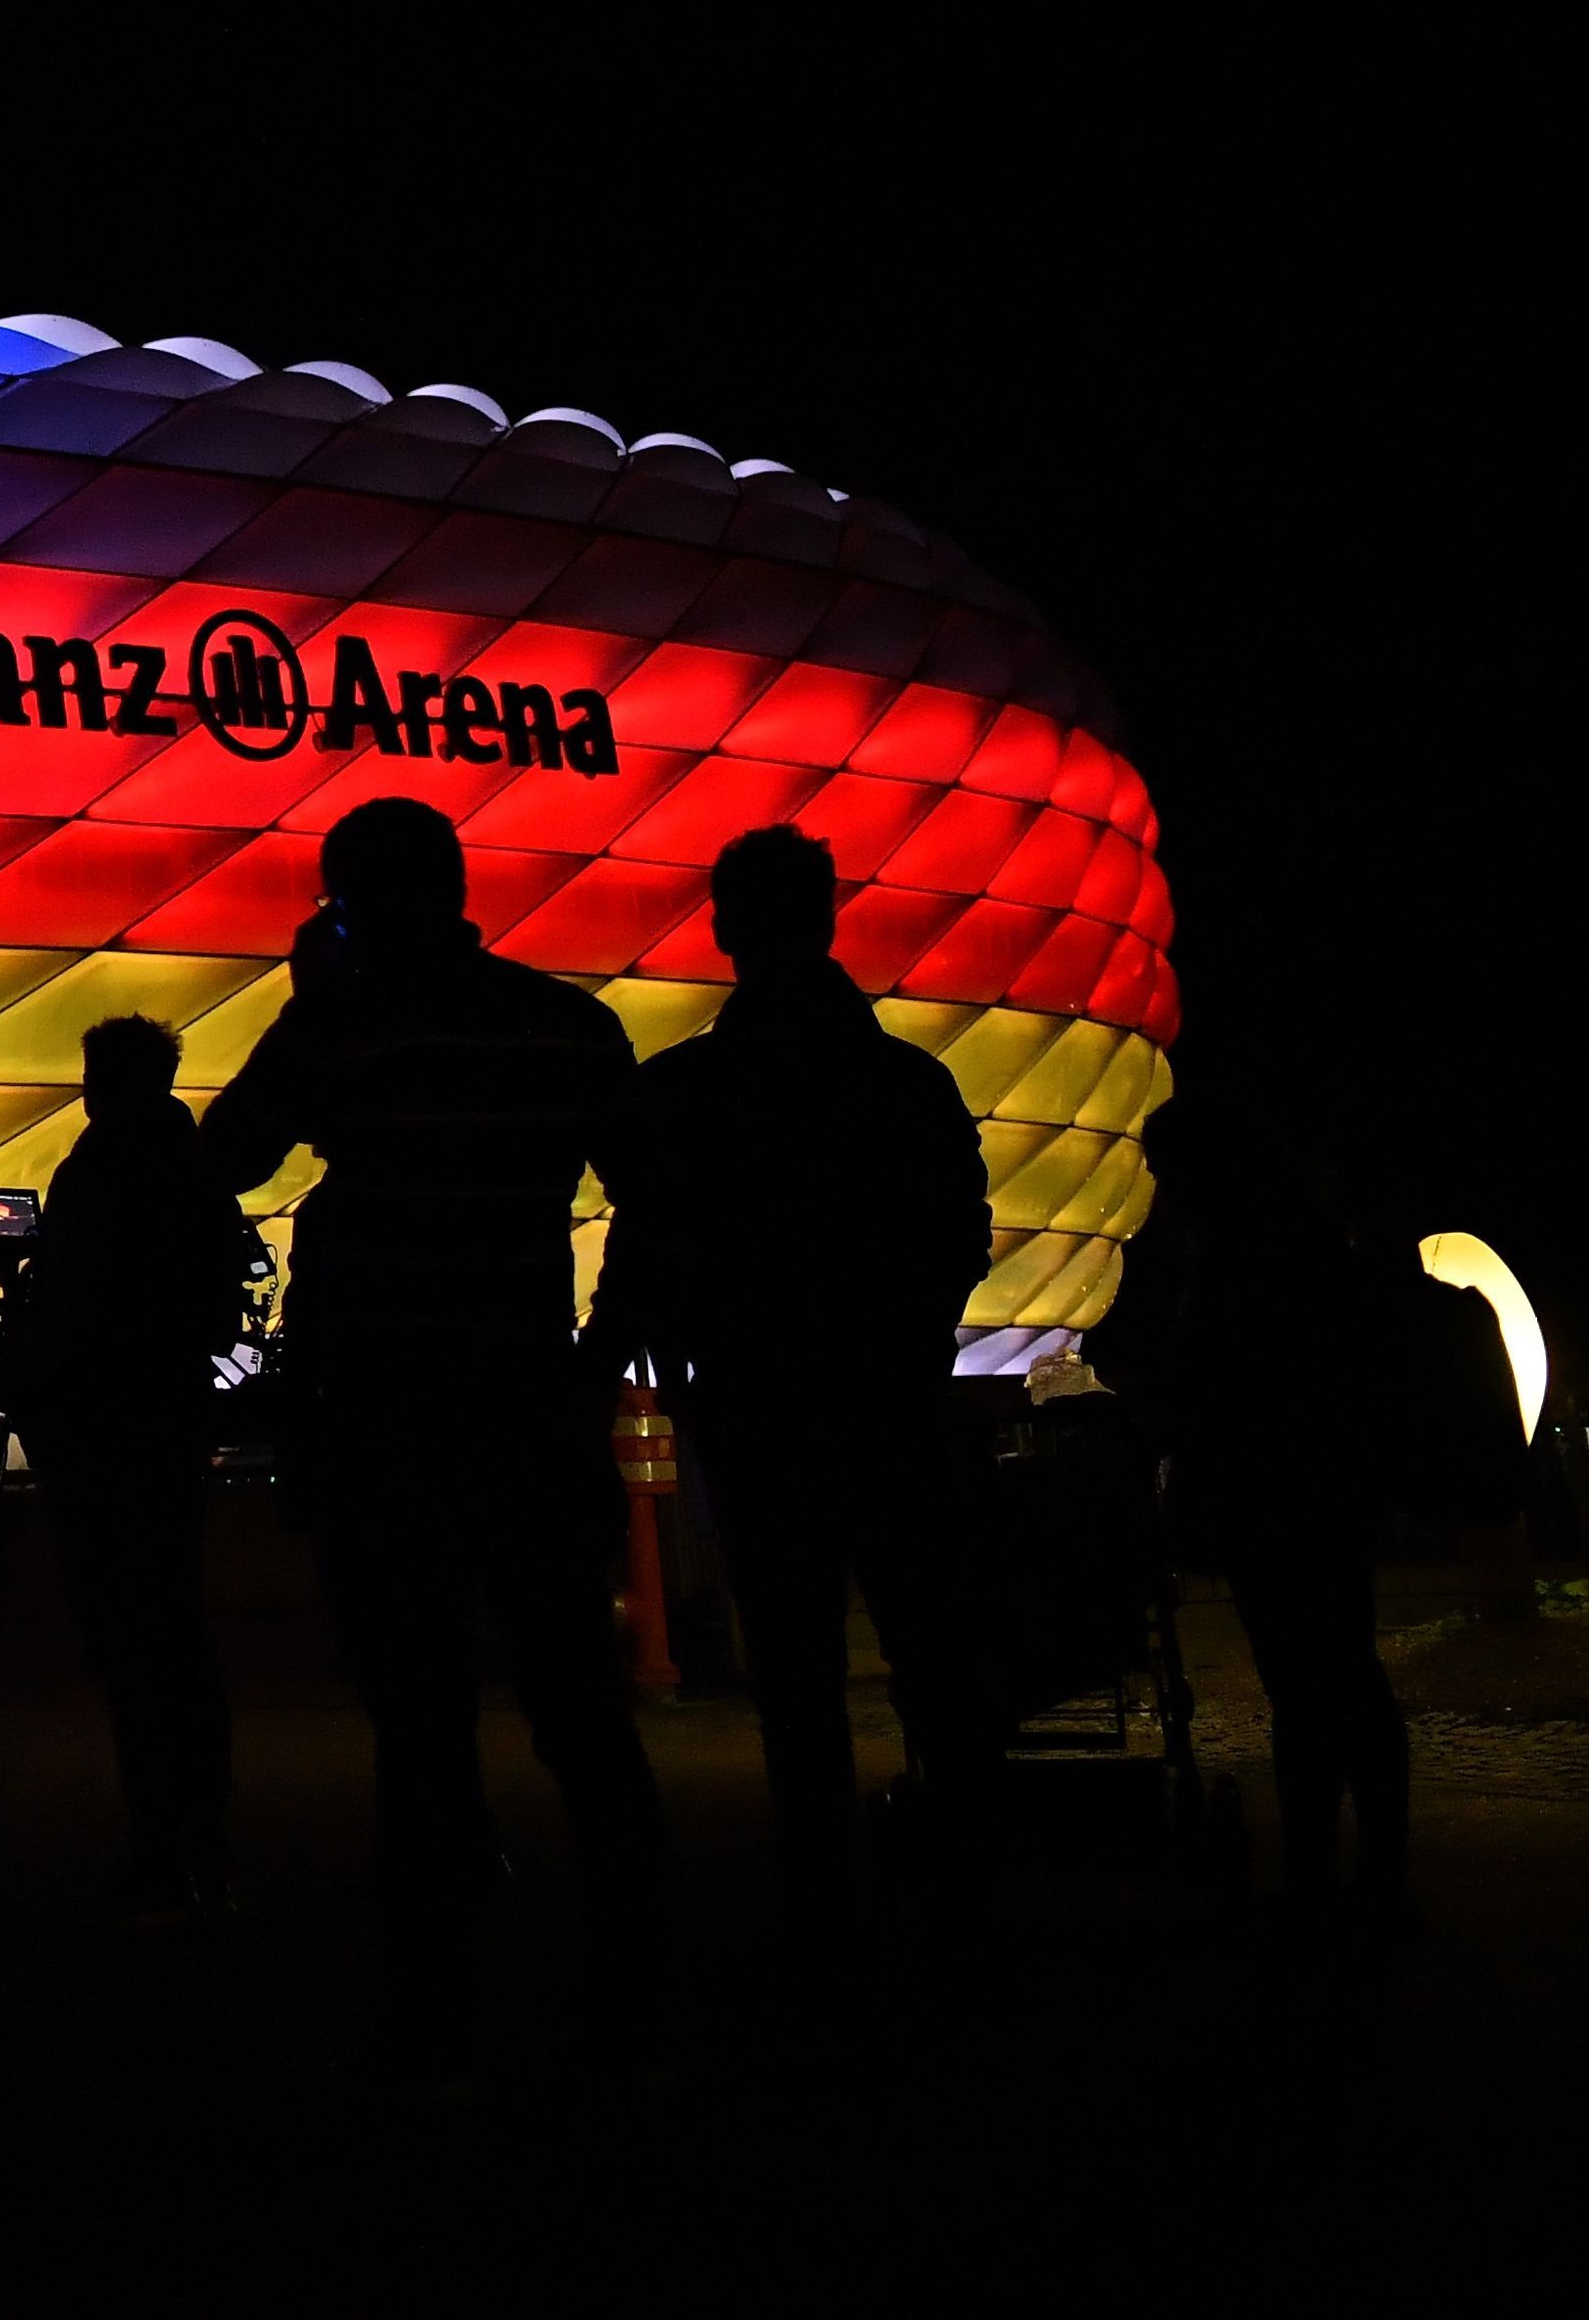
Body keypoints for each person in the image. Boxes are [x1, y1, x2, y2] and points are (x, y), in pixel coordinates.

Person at [200, 797, 662, 2059]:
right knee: (573, 1689)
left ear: (344, 903)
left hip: (381, 1413)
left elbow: (224, 1156)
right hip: (521, 1395)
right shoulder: (567, 1023)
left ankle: (436, 1988)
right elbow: (653, 1200)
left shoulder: (339, 1023)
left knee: (414, 1704)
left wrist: (308, 997)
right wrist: (594, 1357)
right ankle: (640, 1960)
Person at [597, 824, 998, 1891]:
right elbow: (958, 1235)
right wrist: (904, 1342)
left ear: (722, 926)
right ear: (827, 915)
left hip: (753, 1408)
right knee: (928, 1643)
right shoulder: (905, 1082)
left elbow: (641, 1249)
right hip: (885, 1401)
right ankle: (956, 1869)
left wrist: (629, 1349)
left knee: (790, 1662)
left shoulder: (681, 1089)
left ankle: (818, 1880)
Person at [1091, 1098, 1506, 1934]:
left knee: (1314, 1686)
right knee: (1338, 1679)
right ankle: (1362, 1876)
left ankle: (1330, 1880)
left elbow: (1219, 1384)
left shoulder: (1244, 1266)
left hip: (1276, 1500)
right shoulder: (1308, 1247)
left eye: (1168, 1174)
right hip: (1322, 1494)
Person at [0, 1013, 252, 1921]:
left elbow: (72, 1302)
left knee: (127, 1637)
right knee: (175, 1628)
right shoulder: (198, 1169)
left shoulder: (96, 1168)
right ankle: (202, 1840)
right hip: (170, 1421)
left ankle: (158, 1843)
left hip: (100, 1431)